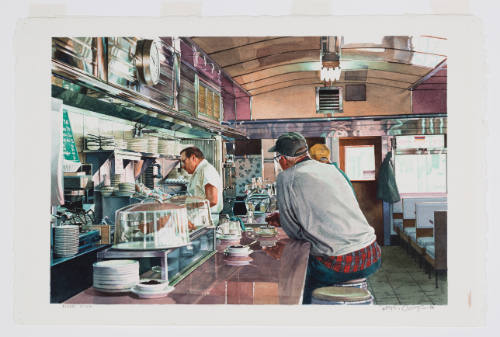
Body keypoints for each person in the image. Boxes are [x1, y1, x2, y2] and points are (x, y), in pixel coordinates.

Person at [265, 132, 381, 304]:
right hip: (371, 254)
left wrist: (284, 224)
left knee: (295, 274)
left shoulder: (286, 177)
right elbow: (331, 211)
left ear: (282, 159)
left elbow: (293, 232)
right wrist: (283, 218)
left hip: (339, 264)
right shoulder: (332, 169)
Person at [180, 146, 223, 225]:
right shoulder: (199, 171)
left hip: (204, 221)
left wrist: (186, 206)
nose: (183, 166)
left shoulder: (206, 170)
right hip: (200, 220)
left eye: (184, 161)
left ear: (193, 157)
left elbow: (212, 200)